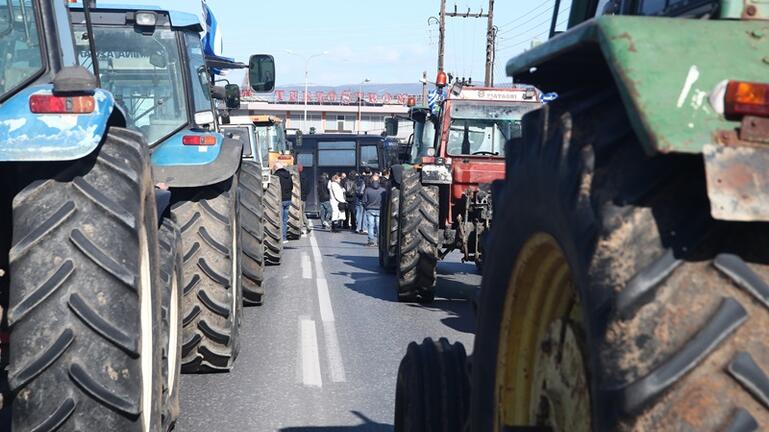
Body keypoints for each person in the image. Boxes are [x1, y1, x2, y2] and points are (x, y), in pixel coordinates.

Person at [362, 174, 385, 246]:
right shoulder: (383, 190)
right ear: (379, 180)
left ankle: (370, 241)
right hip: (379, 209)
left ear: (371, 180)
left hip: (370, 209)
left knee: (370, 225)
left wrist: (366, 207)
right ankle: (379, 241)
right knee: (378, 226)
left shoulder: (367, 190)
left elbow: (364, 201)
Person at [273, 162, 293, 242]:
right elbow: (291, 186)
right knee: (285, 221)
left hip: (280, 200)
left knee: (279, 220)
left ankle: (278, 238)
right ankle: (284, 238)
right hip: (288, 200)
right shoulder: (289, 176)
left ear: (276, 168)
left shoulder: (276, 176)